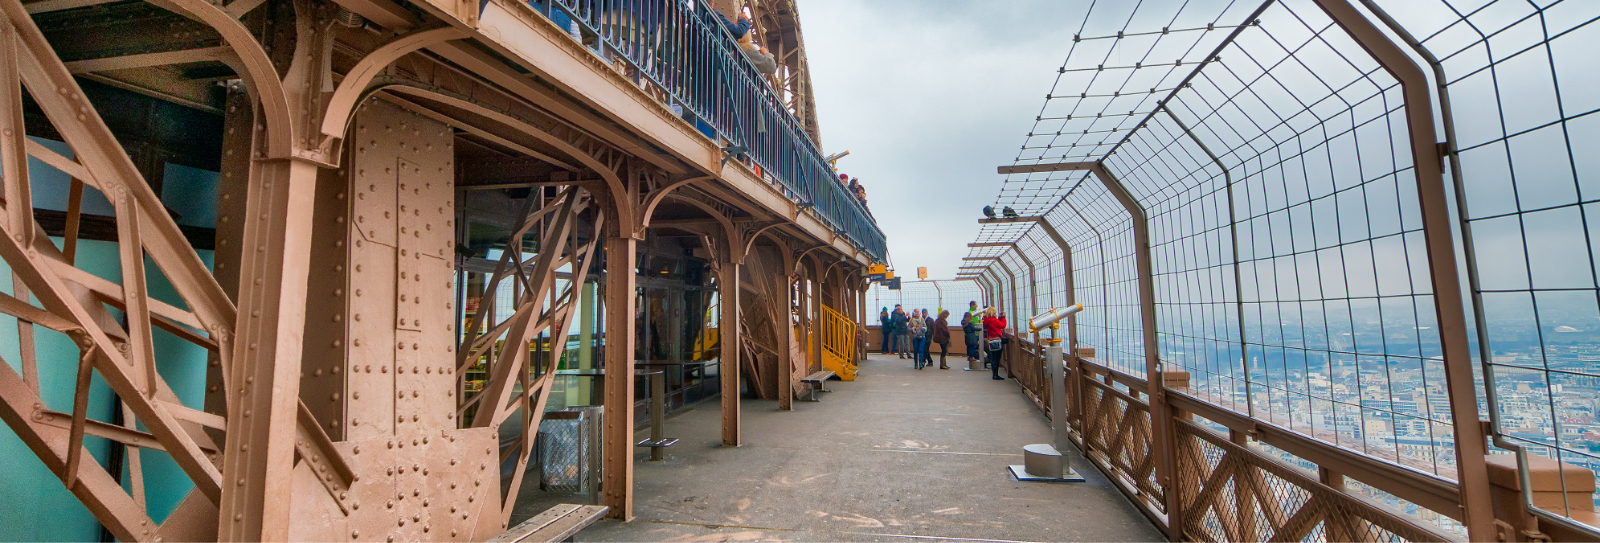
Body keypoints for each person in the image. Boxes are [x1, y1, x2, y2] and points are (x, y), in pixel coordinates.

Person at [983, 307, 1007, 380]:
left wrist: (1000, 317)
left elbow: (996, 324)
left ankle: (994, 374)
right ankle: (995, 375)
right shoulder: (992, 320)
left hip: (991, 340)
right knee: (997, 358)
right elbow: (1002, 325)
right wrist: (1003, 317)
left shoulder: (987, 320)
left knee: (993, 358)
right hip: (997, 340)